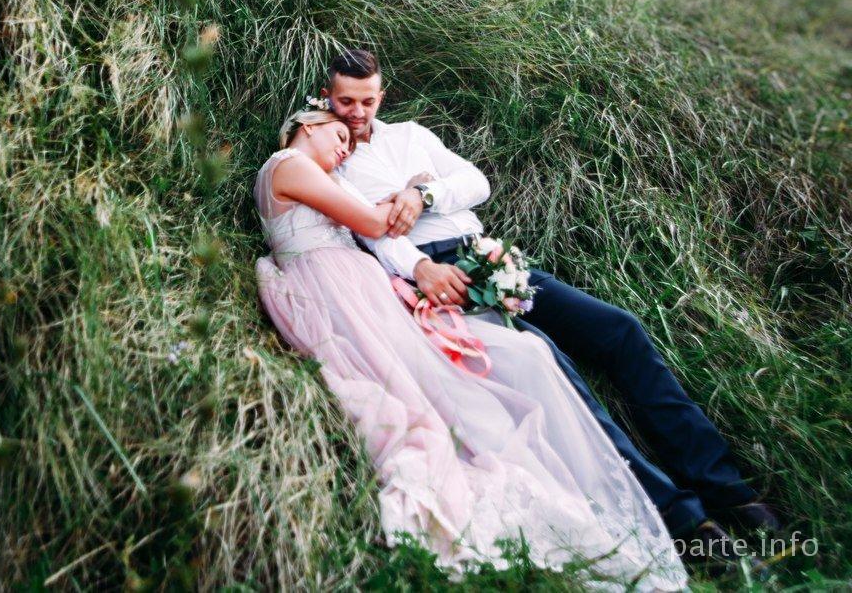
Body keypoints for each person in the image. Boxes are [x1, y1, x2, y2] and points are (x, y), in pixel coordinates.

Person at [321, 47, 783, 571]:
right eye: (346, 101)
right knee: (556, 373)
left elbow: (476, 183)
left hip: (490, 254)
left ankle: (728, 490)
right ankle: (684, 522)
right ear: (327, 96)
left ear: (382, 95)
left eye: (367, 101)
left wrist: (423, 194)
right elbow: (365, 231)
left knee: (619, 330)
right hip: (437, 276)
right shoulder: (329, 156)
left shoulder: (411, 135)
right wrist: (419, 267)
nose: (357, 113)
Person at [253, 107, 688, 589]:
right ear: (309, 125)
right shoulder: (290, 164)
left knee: (494, 365)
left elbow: (439, 194)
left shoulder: (331, 166)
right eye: (338, 136)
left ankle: (652, 501)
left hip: (361, 285)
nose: (343, 149)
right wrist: (414, 190)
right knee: (449, 385)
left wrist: (419, 195)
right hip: (340, 290)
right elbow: (373, 223)